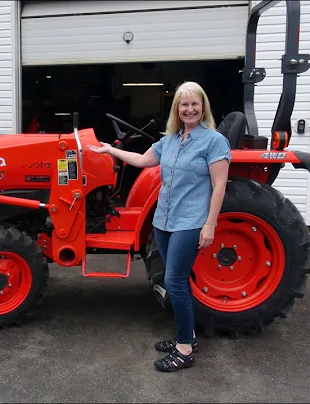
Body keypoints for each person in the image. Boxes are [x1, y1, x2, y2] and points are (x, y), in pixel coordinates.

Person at [87, 81, 231, 372]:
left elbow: (219, 186)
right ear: (177, 109)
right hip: (163, 220)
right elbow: (141, 160)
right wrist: (109, 151)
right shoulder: (169, 141)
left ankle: (185, 350)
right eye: (183, 104)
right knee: (175, 279)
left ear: (203, 107)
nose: (189, 109)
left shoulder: (214, 141)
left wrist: (210, 225)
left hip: (189, 222)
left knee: (176, 282)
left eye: (195, 103)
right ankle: (186, 334)